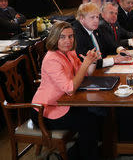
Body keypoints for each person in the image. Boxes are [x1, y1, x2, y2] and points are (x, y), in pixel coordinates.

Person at [31, 21, 100, 160]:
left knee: (97, 114)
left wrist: (92, 60)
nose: (68, 41)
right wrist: (85, 64)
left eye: (70, 36)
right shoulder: (51, 59)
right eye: (62, 37)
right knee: (89, 122)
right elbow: (70, 89)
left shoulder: (70, 52)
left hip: (65, 102)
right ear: (54, 38)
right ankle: (80, 155)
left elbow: (85, 74)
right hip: (46, 111)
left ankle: (79, 154)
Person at [72, 2, 125, 68]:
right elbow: (88, 62)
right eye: (92, 17)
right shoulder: (76, 34)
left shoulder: (95, 29)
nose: (96, 20)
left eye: (97, 17)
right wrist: (113, 60)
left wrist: (121, 51)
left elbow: (108, 46)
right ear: (82, 18)